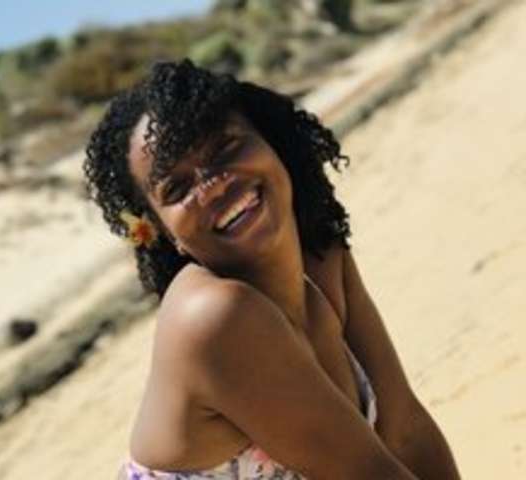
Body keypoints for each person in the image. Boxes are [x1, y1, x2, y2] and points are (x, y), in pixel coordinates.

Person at [83, 59, 460, 479]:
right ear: (162, 231)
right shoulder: (215, 317)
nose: (212, 185)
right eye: (177, 188)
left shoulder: (321, 256)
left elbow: (406, 432)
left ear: (270, 141)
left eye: (225, 147)